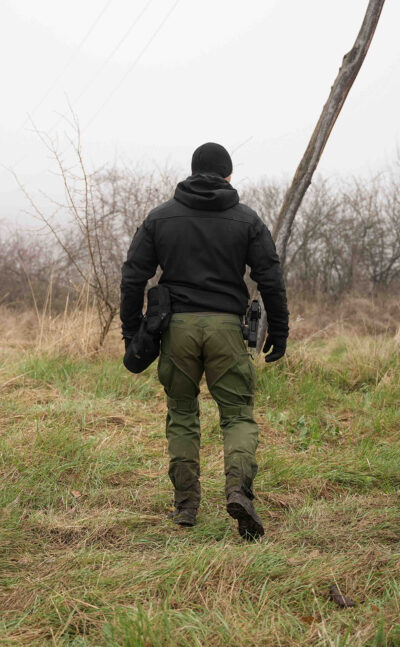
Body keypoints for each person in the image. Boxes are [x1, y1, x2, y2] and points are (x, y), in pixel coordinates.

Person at [120, 142, 288, 541]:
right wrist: (279, 330)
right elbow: (270, 278)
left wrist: (132, 332)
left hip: (175, 330)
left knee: (181, 412)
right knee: (237, 416)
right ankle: (238, 492)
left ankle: (186, 506)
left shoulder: (161, 217)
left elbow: (132, 276)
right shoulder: (246, 220)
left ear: (192, 172)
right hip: (228, 330)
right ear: (229, 176)